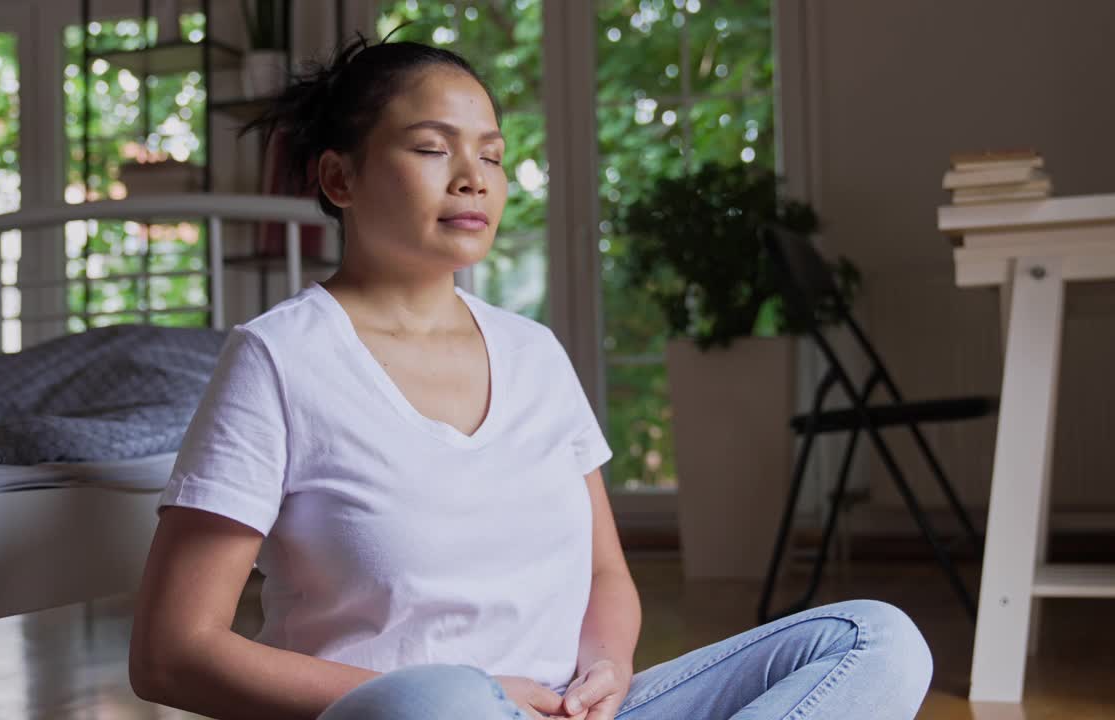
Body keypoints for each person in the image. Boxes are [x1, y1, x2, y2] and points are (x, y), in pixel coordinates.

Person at [127, 35, 933, 720]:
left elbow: (607, 572)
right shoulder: (278, 360)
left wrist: (607, 670)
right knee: (441, 703)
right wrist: (481, 697)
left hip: (568, 711)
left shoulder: (534, 353)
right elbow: (171, 653)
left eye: (493, 155)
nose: (473, 176)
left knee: (875, 639)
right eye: (433, 148)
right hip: (423, 717)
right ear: (340, 180)